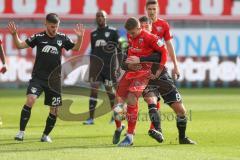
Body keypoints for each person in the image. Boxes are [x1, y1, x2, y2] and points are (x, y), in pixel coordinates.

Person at [127, 0, 196, 144]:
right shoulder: (136, 30)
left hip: (161, 73)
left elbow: (165, 50)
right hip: (146, 75)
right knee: (151, 100)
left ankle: (182, 138)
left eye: (154, 9)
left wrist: (175, 66)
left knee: (181, 111)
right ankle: (156, 129)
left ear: (157, 9)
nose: (151, 11)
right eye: (149, 9)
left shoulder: (162, 27)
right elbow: (131, 54)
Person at [8, 13, 85, 142]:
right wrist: (15, 35)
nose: (54, 29)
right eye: (52, 26)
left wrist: (80, 37)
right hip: (38, 78)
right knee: (31, 100)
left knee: (54, 110)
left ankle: (45, 135)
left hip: (54, 80)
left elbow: (76, 48)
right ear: (46, 24)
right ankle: (21, 132)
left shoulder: (62, 38)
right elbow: (20, 45)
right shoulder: (38, 37)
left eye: (56, 26)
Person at [112, 17, 168, 147]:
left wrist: (159, 69)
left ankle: (130, 136)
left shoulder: (150, 37)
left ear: (139, 28)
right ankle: (119, 127)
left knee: (132, 99)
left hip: (143, 73)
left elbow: (164, 52)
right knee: (117, 104)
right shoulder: (130, 36)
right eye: (129, 33)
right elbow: (127, 56)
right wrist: (126, 65)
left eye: (132, 33)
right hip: (130, 73)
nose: (130, 35)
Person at [83, 10, 120, 125]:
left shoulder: (113, 32)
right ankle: (91, 118)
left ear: (106, 18)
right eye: (97, 16)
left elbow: (118, 50)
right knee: (93, 90)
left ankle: (115, 116)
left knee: (110, 91)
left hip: (108, 67)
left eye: (102, 16)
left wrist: (118, 66)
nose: (99, 18)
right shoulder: (93, 33)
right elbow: (94, 50)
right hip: (96, 67)